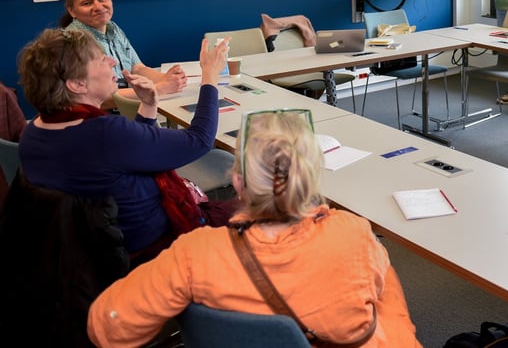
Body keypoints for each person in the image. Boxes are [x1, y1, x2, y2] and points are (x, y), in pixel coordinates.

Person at [88, 110, 421, 348]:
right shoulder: (354, 233)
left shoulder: (194, 253)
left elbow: (108, 328)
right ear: (311, 178)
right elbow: (388, 307)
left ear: (237, 182)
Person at [17, 29, 234, 260]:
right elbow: (199, 141)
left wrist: (148, 105)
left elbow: (130, 153)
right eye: (101, 59)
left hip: (91, 252)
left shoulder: (34, 132)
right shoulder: (105, 134)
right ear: (77, 84)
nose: (112, 61)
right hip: (155, 249)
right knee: (262, 209)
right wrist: (210, 76)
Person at [61, 0, 187, 99]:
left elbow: (136, 67)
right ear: (71, 11)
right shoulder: (73, 41)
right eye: (87, 3)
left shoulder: (113, 28)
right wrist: (160, 88)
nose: (98, 7)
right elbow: (97, 97)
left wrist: (168, 79)